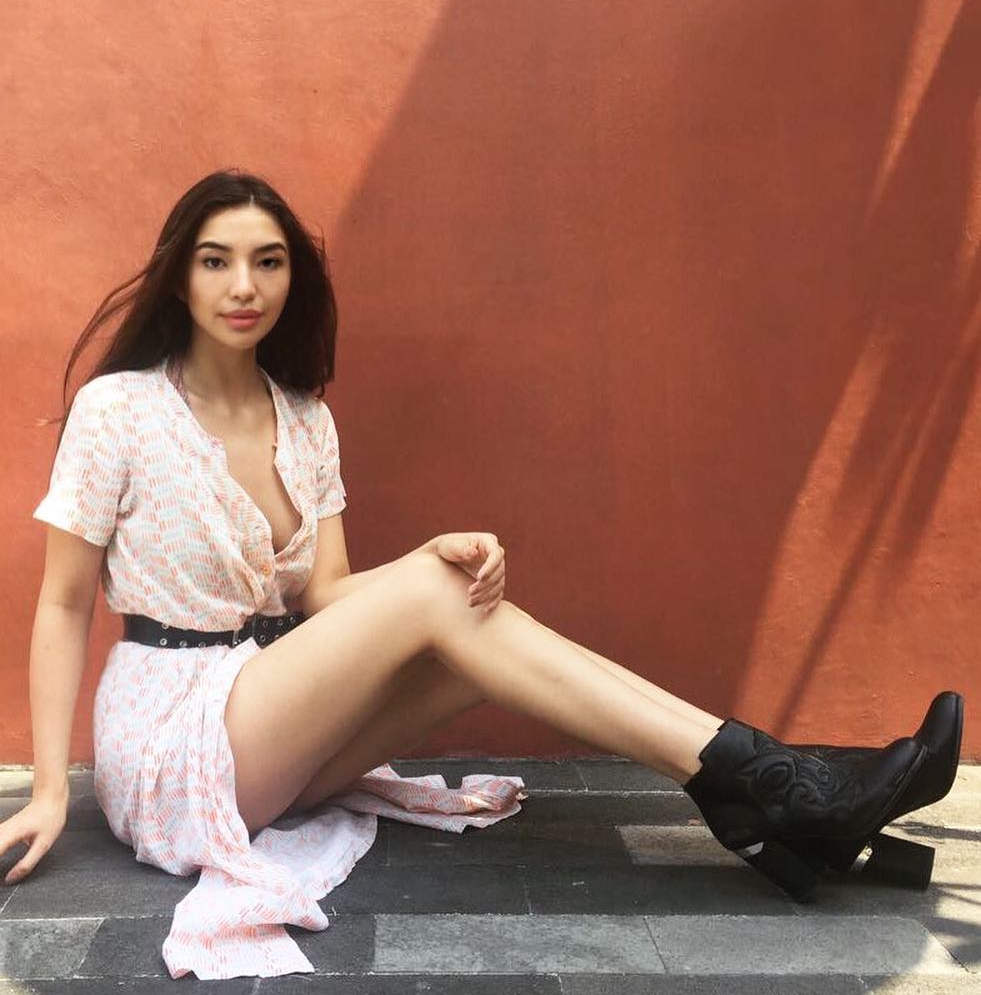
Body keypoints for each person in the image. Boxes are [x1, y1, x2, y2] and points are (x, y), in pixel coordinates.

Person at [4, 169, 963, 981]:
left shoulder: (304, 419)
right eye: (216, 261)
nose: (243, 285)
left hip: (267, 720)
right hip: (168, 739)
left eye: (269, 260)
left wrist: (429, 559)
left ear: (294, 276)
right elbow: (63, 604)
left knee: (460, 610)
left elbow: (326, 597)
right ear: (179, 277)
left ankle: (759, 794)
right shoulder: (119, 410)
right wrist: (51, 791)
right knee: (439, 592)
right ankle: (774, 785)